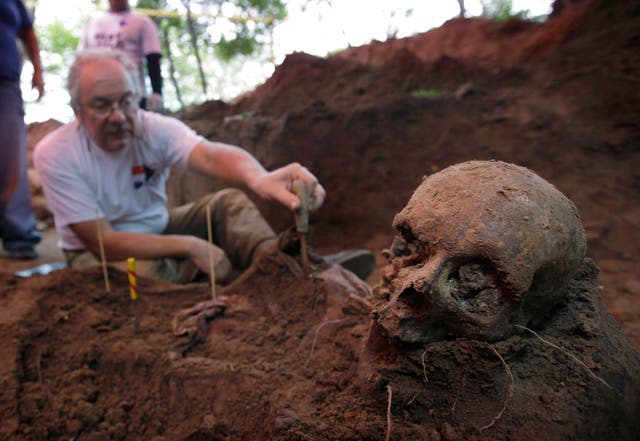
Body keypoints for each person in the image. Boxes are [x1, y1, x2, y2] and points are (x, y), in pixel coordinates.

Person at [34, 48, 374, 284]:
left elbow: (210, 154)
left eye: (126, 101)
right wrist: (191, 246)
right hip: (98, 257)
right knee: (148, 275)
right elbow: (103, 242)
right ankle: (235, 293)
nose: (119, 116)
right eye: (101, 106)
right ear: (77, 109)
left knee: (228, 204)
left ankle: (285, 273)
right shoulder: (57, 153)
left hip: (160, 226)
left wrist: (258, 177)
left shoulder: (153, 128)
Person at [0, 0, 44, 260]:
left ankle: (19, 236)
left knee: (11, 160)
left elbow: (28, 33)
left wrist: (38, 71)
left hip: (5, 84)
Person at [78, 0, 163, 112]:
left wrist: (157, 92)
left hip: (132, 93)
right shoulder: (92, 23)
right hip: (98, 94)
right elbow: (81, 60)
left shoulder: (142, 22)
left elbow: (153, 58)